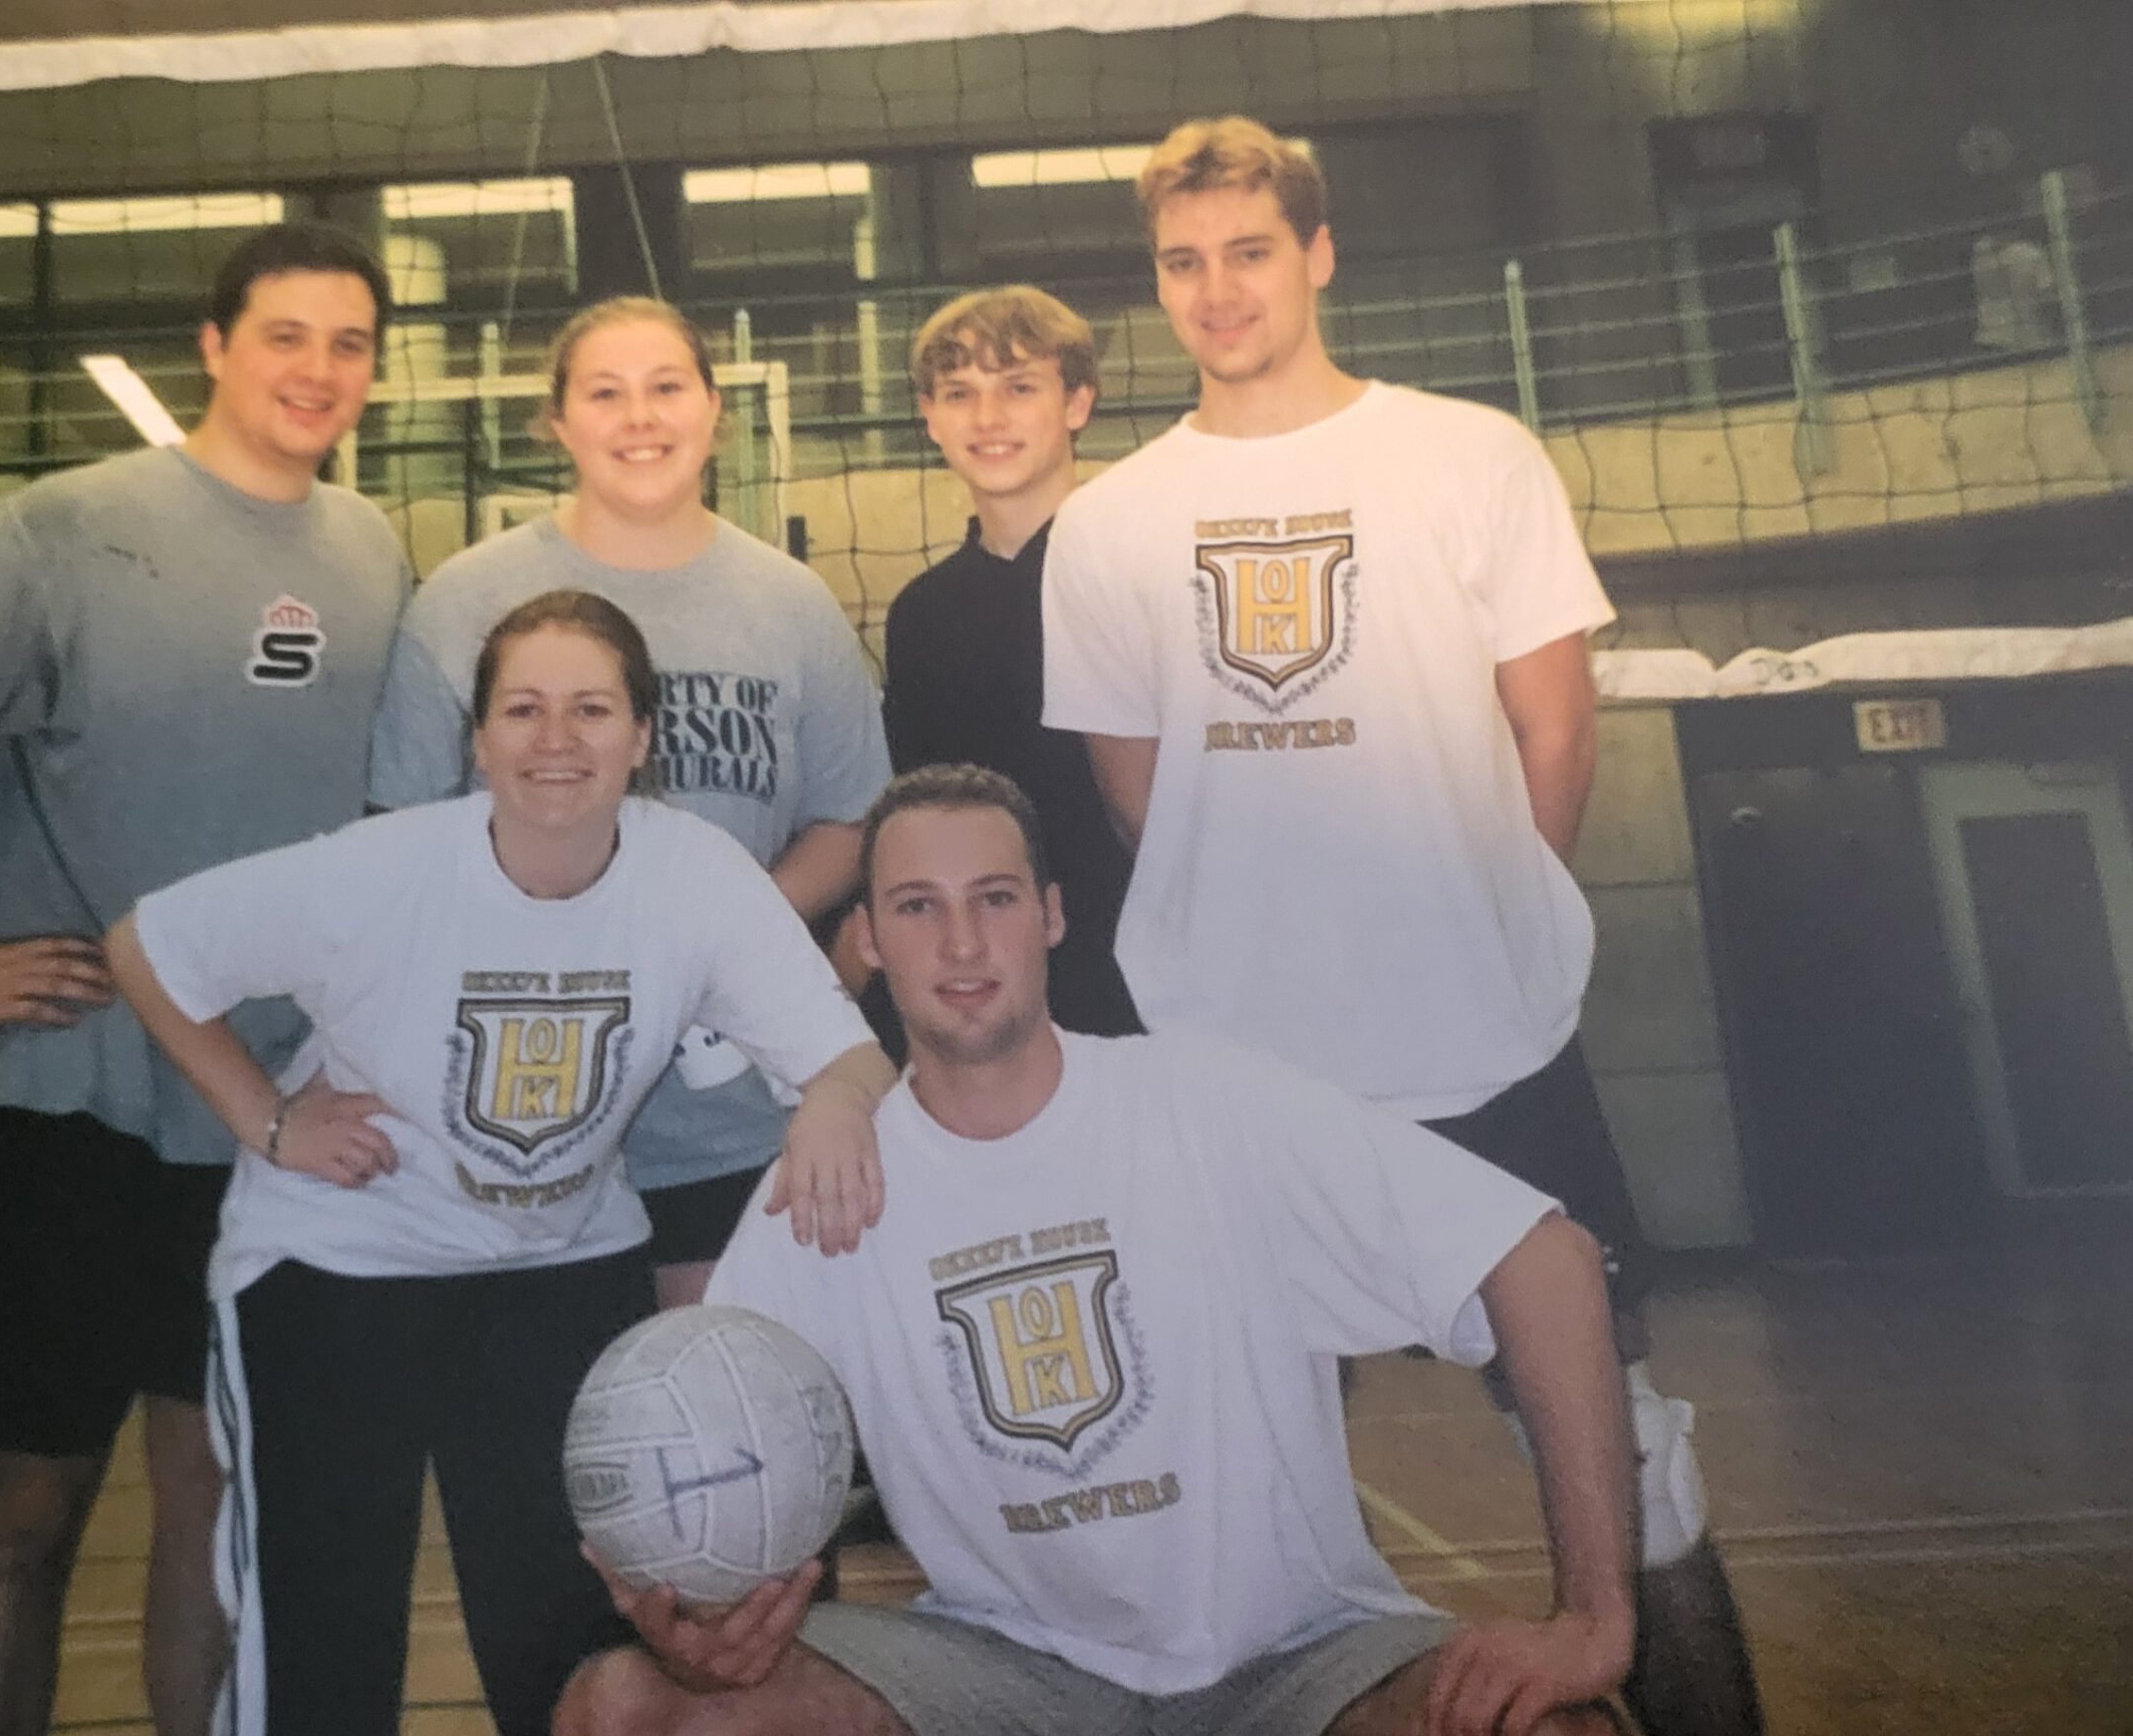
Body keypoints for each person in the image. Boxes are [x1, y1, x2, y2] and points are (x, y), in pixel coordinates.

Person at [1036, 118, 1762, 1736]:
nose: (1217, 289)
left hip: (1485, 1045)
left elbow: (1555, 734)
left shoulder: (1469, 454)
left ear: (1317, 252)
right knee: (1221, 1465)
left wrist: (1471, 922)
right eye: (1182, 261)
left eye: (1247, 250)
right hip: (1236, 1069)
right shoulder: (1115, 521)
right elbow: (1139, 789)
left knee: (1627, 1454)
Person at [556, 765, 1637, 1736]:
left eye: (995, 899)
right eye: (918, 909)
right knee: (628, 1712)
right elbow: (700, 1455)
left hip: (1299, 1662)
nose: (964, 944)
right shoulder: (833, 1192)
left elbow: (1546, 1260)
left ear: (1051, 916)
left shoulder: (1208, 1103)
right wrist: (698, 1623)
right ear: (870, 944)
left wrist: (1593, 1615)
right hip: (1000, 1672)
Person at [0, 222, 405, 1736]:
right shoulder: (66, 526)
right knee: (16, 1511)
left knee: (217, 1507)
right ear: (213, 345)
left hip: (266, 1119)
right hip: (69, 1105)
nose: (317, 370)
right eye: (285, 335)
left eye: (349, 344)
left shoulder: (378, 551)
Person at [107, 591, 894, 1736]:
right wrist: (271, 1124)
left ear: (642, 735)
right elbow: (150, 946)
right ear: (476, 741)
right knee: (323, 1649)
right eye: (522, 710)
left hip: (559, 1270)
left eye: (590, 708)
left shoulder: (696, 874)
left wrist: (830, 1098)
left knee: (567, 1649)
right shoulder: (382, 873)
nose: (557, 739)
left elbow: (853, 1064)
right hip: (337, 1265)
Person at [370, 296, 892, 1306]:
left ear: (713, 413)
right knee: (535, 1438)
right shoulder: (467, 599)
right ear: (558, 424)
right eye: (604, 394)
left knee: (719, 1415)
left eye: (665, 388)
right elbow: (402, 835)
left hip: (724, 1110)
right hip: (518, 1111)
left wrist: (713, 936)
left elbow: (849, 819)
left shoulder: (788, 602)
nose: (639, 417)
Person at [868, 286, 1139, 1043]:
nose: (988, 419)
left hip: (1143, 979)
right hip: (991, 985)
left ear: (1077, 402)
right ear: (928, 415)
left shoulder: (1145, 573)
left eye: (1019, 388)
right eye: (960, 394)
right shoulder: (923, 613)